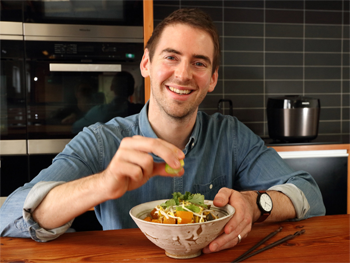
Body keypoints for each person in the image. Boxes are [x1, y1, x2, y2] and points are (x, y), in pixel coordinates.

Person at [0, 8, 325, 253]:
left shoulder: (230, 135)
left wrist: (256, 205)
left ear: (212, 79)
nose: (183, 75)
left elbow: (308, 192)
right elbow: (11, 216)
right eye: (171, 57)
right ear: (146, 64)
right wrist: (102, 184)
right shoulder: (101, 140)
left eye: (199, 63)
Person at [71, 71, 143, 134]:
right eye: (84, 91)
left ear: (111, 87)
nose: (87, 94)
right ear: (132, 91)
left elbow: (75, 128)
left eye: (88, 91)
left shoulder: (99, 111)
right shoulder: (140, 111)